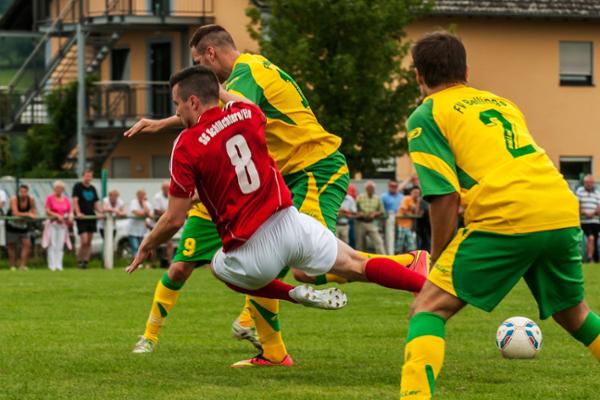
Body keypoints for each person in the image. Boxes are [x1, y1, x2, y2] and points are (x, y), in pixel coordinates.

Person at [124, 25, 426, 365]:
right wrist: (171, 120)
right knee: (280, 263)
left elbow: (210, 115)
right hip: (287, 187)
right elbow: (225, 111)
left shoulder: (243, 76)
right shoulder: (247, 93)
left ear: (211, 53)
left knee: (287, 271)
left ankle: (408, 264)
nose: (199, 70)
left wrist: (170, 123)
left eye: (198, 62)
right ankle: (272, 350)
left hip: (313, 167)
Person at [399, 32, 600, 400]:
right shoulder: (502, 104)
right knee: (574, 314)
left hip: (508, 213)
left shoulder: (427, 114)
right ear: (466, 71)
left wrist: (438, 257)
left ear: (418, 76)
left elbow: (444, 195)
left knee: (428, 307)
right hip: (558, 205)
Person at [72, 170, 101, 269]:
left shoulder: (93, 188)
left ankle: (85, 262)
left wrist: (100, 212)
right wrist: (78, 212)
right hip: (82, 217)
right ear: (83, 176)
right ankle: (79, 260)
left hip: (91, 217)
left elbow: (96, 203)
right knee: (83, 240)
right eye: (87, 176)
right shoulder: (78, 187)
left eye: (90, 176)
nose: (88, 178)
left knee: (89, 241)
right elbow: (75, 201)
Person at [6, 184, 36, 271]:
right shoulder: (14, 199)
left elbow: (34, 212)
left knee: (27, 244)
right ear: (19, 192)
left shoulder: (31, 199)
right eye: (21, 191)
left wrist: (31, 214)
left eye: (24, 192)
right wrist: (28, 214)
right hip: (11, 225)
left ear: (27, 192)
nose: (23, 193)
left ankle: (22, 266)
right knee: (11, 245)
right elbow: (15, 213)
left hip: (23, 225)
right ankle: (12, 266)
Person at [44, 181, 72, 271]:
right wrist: (56, 215)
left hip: (63, 225)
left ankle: (59, 265)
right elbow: (47, 210)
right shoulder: (50, 198)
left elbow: (69, 211)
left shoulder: (66, 199)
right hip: (52, 223)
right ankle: (52, 265)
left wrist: (70, 216)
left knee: (60, 245)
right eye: (57, 188)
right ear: (54, 189)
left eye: (61, 188)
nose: (59, 190)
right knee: (52, 244)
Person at [355, 181, 385, 254]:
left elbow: (382, 211)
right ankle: (360, 259)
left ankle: (382, 257)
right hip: (360, 222)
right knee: (360, 244)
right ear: (366, 189)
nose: (370, 189)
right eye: (369, 188)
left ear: (374, 189)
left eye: (372, 188)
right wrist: (358, 213)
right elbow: (354, 209)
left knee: (379, 241)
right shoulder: (360, 197)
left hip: (371, 222)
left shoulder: (377, 198)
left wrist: (375, 213)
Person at [575, 175, 600, 262]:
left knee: (594, 239)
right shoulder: (580, 191)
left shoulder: (597, 192)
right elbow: (577, 204)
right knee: (591, 238)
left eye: (590, 182)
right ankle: (590, 258)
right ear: (584, 183)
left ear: (593, 183)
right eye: (586, 182)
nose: (588, 184)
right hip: (584, 221)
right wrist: (585, 213)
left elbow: (599, 205)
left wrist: (593, 213)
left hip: (595, 221)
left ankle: (595, 259)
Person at [152, 181, 174, 265]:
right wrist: (169, 213)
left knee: (169, 243)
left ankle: (169, 262)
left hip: (168, 223)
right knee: (154, 244)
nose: (167, 189)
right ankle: (154, 262)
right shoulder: (157, 197)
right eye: (165, 188)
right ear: (162, 188)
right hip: (158, 222)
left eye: (168, 187)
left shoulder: (172, 195)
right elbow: (156, 211)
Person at [396, 187, 422, 253]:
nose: (416, 194)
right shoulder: (407, 198)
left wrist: (418, 202)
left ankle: (409, 255)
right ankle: (398, 254)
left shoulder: (416, 202)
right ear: (411, 192)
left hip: (409, 226)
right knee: (402, 243)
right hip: (401, 224)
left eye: (418, 193)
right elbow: (404, 210)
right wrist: (411, 211)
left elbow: (417, 212)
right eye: (415, 192)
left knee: (408, 244)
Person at [128, 189, 152, 257]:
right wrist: (145, 214)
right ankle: (135, 260)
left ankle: (140, 261)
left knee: (141, 247)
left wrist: (143, 202)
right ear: (137, 195)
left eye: (142, 195)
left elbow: (148, 212)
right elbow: (136, 213)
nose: (141, 196)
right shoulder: (133, 202)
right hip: (133, 230)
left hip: (143, 230)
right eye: (139, 195)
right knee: (135, 247)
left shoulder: (147, 203)